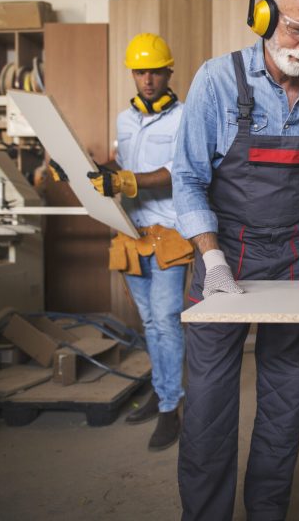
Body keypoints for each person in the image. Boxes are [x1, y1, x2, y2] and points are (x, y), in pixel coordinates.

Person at [172, 0, 299, 520]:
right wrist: (212, 260)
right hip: (225, 253)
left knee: (285, 397)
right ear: (263, 16)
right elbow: (188, 177)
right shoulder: (217, 80)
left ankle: (267, 512)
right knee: (206, 405)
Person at [89, 32, 193, 451]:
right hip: (131, 232)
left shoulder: (185, 117)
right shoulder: (123, 119)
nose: (147, 79)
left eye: (154, 70)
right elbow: (124, 166)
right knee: (150, 322)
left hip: (169, 235)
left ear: (169, 71)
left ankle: (171, 407)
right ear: (132, 74)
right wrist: (95, 170)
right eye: (139, 71)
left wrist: (129, 180)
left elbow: (178, 170)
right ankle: (162, 389)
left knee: (167, 320)